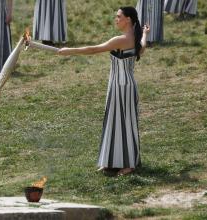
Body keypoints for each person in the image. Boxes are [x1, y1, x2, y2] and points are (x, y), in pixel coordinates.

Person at [56, 7, 150, 176]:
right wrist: (145, 34)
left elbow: (93, 49)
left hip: (121, 86)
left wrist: (70, 51)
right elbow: (142, 46)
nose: (116, 19)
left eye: (119, 16)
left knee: (125, 124)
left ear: (128, 19)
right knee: (115, 122)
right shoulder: (135, 39)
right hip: (123, 85)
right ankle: (111, 162)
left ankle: (129, 165)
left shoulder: (120, 40)